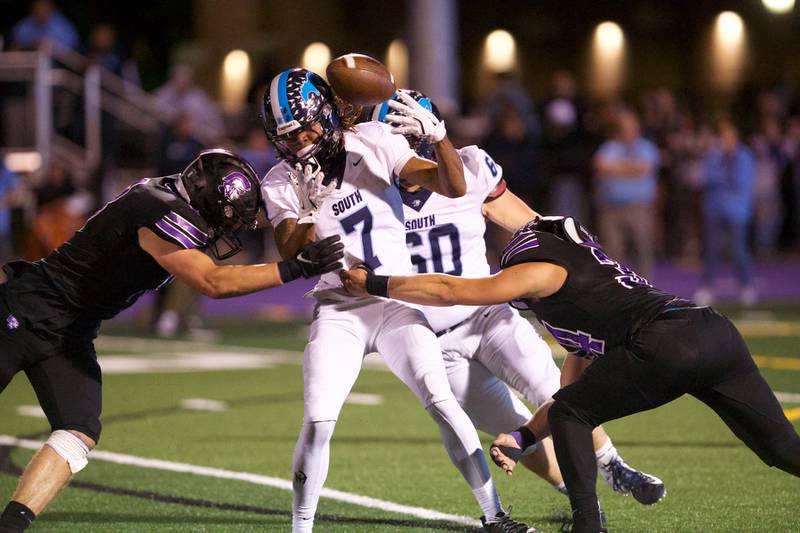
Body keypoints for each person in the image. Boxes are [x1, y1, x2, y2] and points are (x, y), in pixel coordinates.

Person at [341, 216, 800, 533]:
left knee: (572, 416)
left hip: (667, 343)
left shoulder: (541, 272)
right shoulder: (592, 280)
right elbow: (569, 398)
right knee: (781, 450)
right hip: (715, 331)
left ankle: (587, 526)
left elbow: (452, 289)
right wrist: (523, 436)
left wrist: (375, 284)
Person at [0, 149, 344, 532]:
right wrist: (296, 268)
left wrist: (310, 208)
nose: (225, 231)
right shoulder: (160, 211)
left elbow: (258, 219)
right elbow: (213, 282)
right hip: (27, 309)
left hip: (72, 330)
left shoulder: (170, 195)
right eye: (224, 219)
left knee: (78, 430)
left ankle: (12, 525)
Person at [260, 69, 533, 533]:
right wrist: (308, 210)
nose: (300, 143)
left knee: (442, 401)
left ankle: (495, 516)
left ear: (326, 116)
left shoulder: (371, 139)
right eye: (288, 137)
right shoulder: (281, 179)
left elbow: (451, 185)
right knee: (319, 418)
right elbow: (289, 247)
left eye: (306, 129)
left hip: (391, 300)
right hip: (338, 308)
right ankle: (300, 528)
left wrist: (441, 138)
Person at [372, 91, 665, 506]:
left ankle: (614, 465)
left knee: (551, 387)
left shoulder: (469, 168)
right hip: (430, 338)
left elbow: (529, 225)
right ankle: (574, 492)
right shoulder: (369, 193)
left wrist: (578, 256)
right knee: (510, 429)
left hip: (487, 314)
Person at [694, 118, 757, 306]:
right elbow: (706, 178)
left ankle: (746, 286)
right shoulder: (713, 156)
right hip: (714, 209)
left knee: (739, 250)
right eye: (723, 137)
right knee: (711, 250)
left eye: (730, 137)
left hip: (737, 211)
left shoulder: (745, 156)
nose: (726, 141)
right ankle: (708, 286)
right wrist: (724, 177)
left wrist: (722, 178)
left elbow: (741, 181)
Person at [593, 109, 660, 278]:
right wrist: (629, 168)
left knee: (642, 251)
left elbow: (642, 169)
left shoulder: (647, 147)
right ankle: (618, 294)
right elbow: (600, 166)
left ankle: (647, 294)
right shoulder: (609, 147)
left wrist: (614, 168)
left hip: (638, 207)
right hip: (611, 208)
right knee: (612, 254)